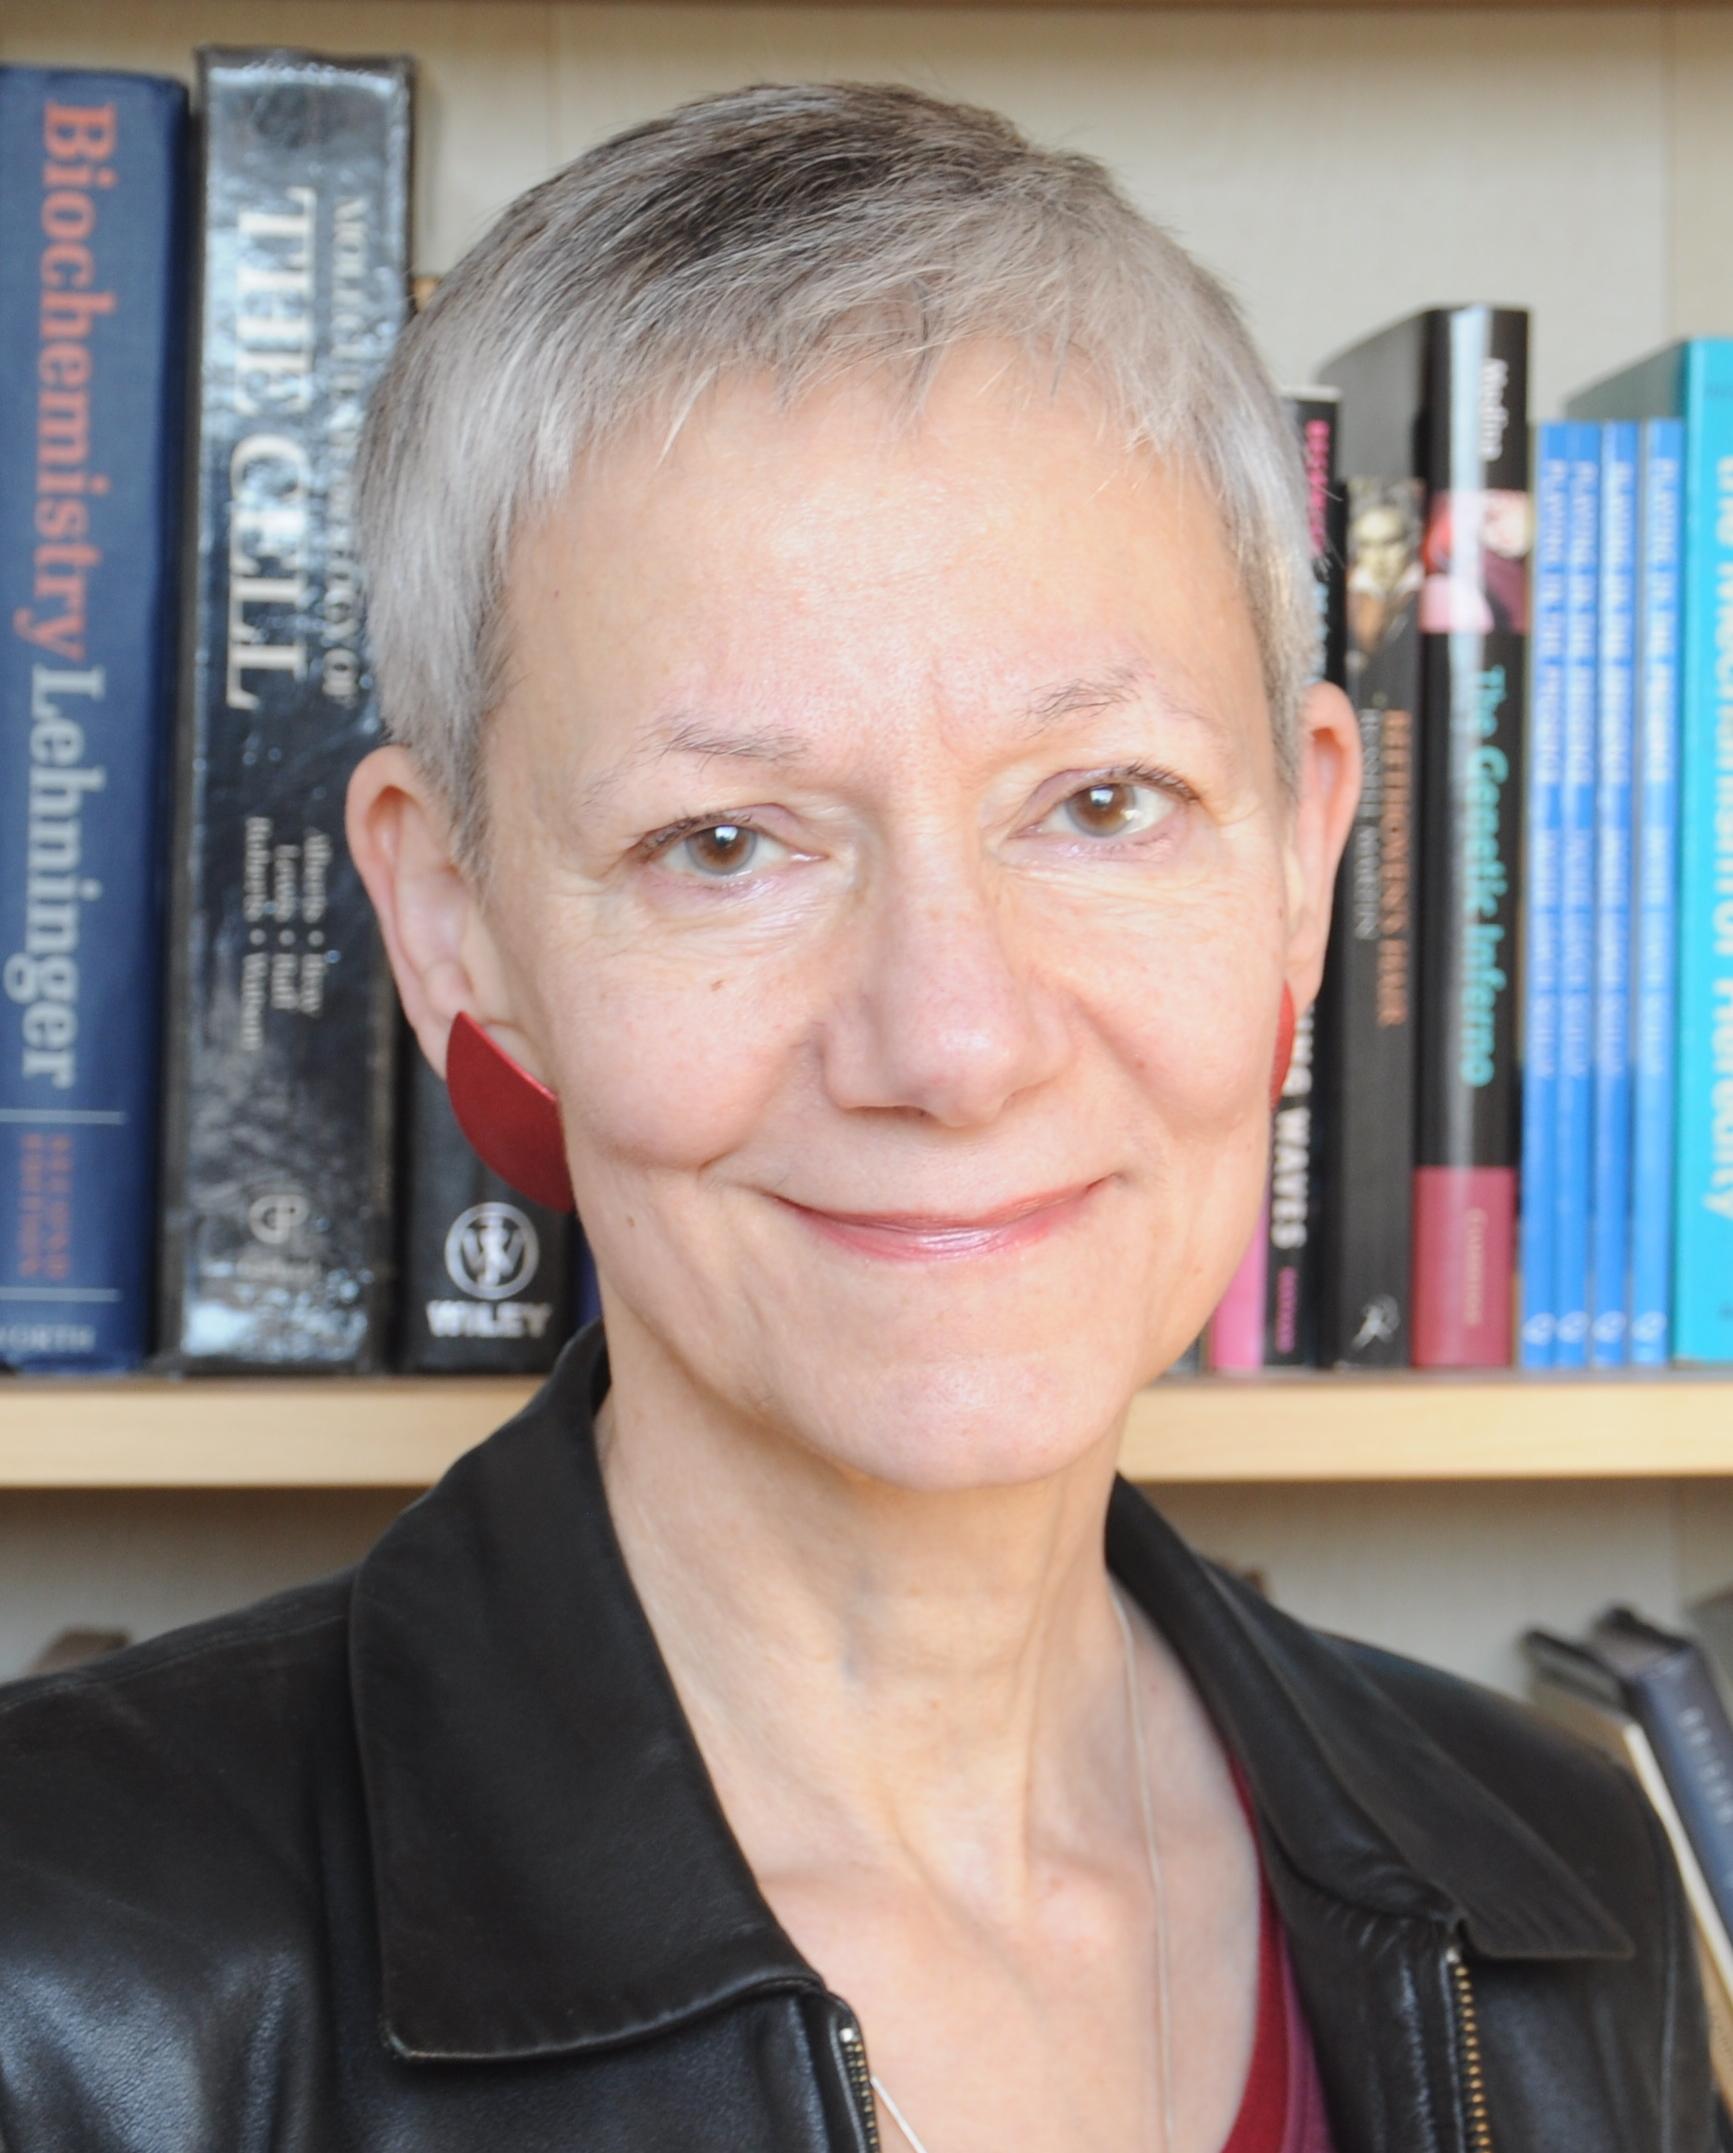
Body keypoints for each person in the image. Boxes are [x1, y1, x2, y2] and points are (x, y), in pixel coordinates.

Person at [0, 83, 1710, 2153]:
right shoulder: (60, 1973)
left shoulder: (1570, 1889)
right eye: (725, 841)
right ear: (454, 927)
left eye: (1100, 803)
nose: (952, 1042)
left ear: (1307, 859)